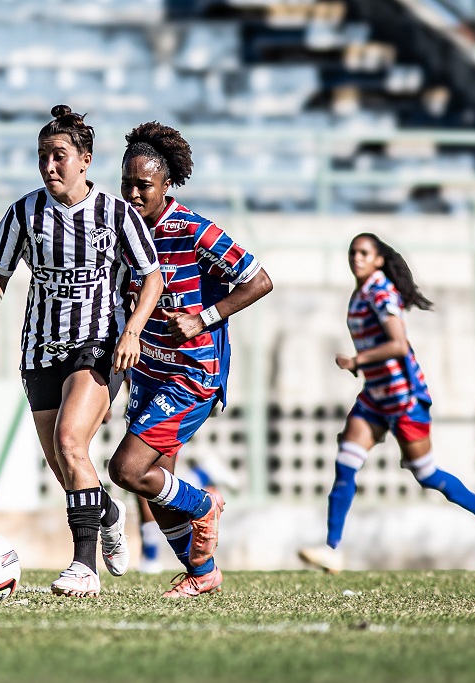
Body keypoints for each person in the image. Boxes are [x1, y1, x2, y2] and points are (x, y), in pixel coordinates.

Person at [0, 105, 163, 597]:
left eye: (59, 156)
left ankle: (84, 567)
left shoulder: (115, 214)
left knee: (71, 442)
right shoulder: (24, 212)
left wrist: (132, 332)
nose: (49, 166)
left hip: (98, 345)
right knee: (63, 460)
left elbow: (151, 278)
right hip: (40, 349)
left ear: (85, 160)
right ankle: (108, 511)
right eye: (42, 157)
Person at [107, 122, 273, 598]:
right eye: (128, 184)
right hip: (147, 373)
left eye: (145, 185)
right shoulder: (123, 231)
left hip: (191, 375)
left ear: (166, 185)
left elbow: (259, 279)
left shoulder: (194, 230)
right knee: (153, 486)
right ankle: (202, 573)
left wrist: (204, 318)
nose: (134, 193)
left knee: (127, 470)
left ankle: (204, 504)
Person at [298, 233, 475, 573]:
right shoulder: (361, 292)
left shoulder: (380, 291)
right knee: (346, 461)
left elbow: (398, 344)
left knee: (427, 475)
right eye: (353, 252)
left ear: (379, 260)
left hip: (404, 398)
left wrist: (358, 360)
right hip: (376, 396)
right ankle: (332, 549)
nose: (356, 258)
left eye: (364, 253)